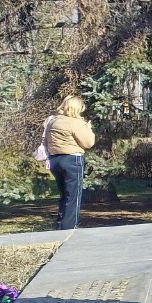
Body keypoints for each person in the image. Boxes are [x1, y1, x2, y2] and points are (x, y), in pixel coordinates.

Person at [45, 94, 95, 230]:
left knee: (64, 195)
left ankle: (61, 225)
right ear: (76, 109)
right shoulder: (75, 123)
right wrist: (88, 128)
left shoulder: (52, 121)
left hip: (55, 160)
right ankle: (69, 229)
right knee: (73, 196)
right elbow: (89, 142)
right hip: (72, 160)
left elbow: (46, 141)